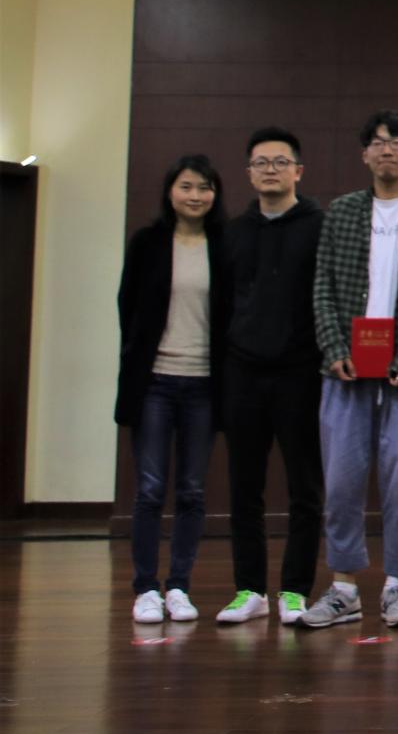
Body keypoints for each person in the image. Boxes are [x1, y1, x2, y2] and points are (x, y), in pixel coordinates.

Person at [301, 110, 398, 630]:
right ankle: (344, 588)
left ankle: (396, 586)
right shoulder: (342, 212)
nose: (387, 149)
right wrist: (333, 348)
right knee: (342, 481)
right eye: (377, 142)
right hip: (345, 371)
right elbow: (322, 287)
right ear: (364, 154)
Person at [216, 128, 324, 626]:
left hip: (301, 373)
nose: (271, 170)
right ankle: (249, 589)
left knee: (305, 487)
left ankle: (295, 590)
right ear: (249, 173)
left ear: (298, 171)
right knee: (244, 487)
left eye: (280, 162)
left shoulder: (319, 226)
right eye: (261, 163)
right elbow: (222, 305)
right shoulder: (234, 232)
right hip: (243, 371)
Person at [118, 154, 230, 624]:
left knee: (191, 491)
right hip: (155, 383)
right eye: (186, 186)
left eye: (204, 187)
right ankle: (146, 587)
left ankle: (179, 585)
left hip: (204, 384)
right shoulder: (147, 243)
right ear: (170, 191)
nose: (195, 196)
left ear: (215, 195)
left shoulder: (224, 245)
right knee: (149, 489)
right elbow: (127, 307)